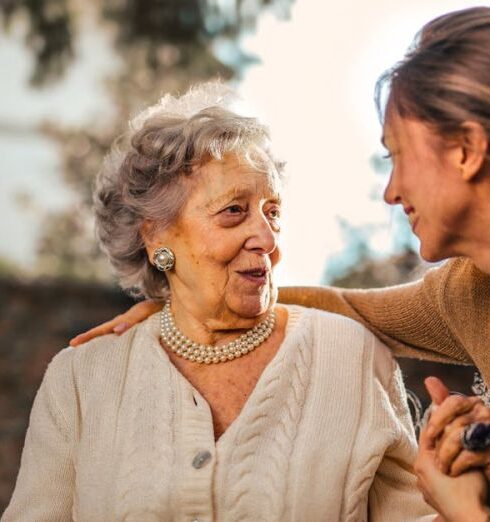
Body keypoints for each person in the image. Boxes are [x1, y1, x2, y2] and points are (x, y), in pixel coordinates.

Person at [70, 7, 490, 521]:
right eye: (232, 213)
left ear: (467, 150)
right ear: (155, 234)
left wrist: (467, 511)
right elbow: (347, 307)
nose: (391, 190)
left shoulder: (363, 361)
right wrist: (184, 299)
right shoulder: (464, 293)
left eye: (396, 155)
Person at [2, 84, 434, 521]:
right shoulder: (80, 380)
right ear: (156, 237)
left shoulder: (353, 359)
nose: (267, 239)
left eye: (273, 212)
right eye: (233, 211)